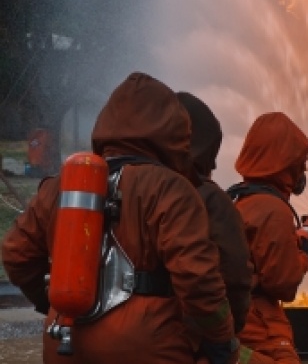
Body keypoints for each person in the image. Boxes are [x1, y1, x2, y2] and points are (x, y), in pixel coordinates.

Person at [1, 72, 238, 364]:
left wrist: (57, 302)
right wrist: (222, 337)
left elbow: (15, 254)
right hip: (146, 347)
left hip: (65, 341)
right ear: (174, 132)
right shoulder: (171, 189)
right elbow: (197, 276)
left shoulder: (61, 184)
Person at [227, 112, 308, 364]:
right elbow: (283, 284)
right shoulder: (272, 210)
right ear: (283, 161)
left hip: (237, 323)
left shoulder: (236, 200)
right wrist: (306, 247)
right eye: (301, 160)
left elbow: (260, 255)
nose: (304, 168)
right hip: (261, 328)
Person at [175, 91, 253, 339]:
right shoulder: (207, 198)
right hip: (173, 341)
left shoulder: (101, 185)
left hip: (73, 339)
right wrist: (224, 340)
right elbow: (234, 279)